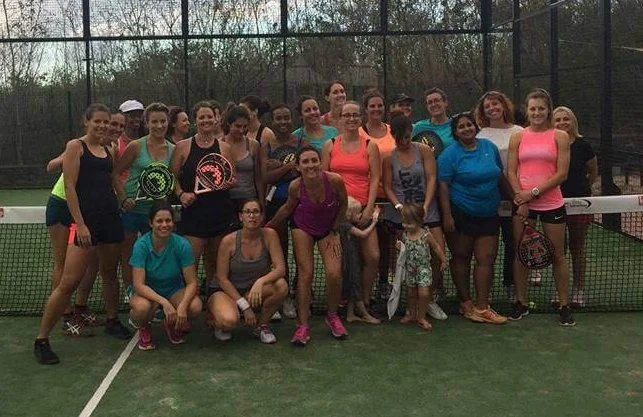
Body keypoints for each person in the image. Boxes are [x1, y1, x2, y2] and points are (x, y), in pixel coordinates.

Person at [34, 104, 130, 365]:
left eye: (106, 122)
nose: (102, 126)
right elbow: (70, 186)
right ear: (86, 122)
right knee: (68, 282)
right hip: (86, 223)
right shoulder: (75, 147)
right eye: (97, 121)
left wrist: (123, 199)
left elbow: (112, 179)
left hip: (111, 219)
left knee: (110, 274)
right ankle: (42, 339)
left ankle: (112, 320)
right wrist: (81, 224)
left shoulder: (109, 149)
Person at [265, 146, 348, 346]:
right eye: (306, 162)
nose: (311, 165)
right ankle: (302, 326)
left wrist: (335, 226)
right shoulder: (295, 187)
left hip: (329, 229)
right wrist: (266, 227)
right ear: (298, 167)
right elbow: (286, 209)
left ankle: (332, 316)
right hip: (302, 227)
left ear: (320, 162)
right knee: (306, 273)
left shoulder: (334, 181)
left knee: (334, 273)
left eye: (314, 160)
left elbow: (343, 204)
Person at [507, 88, 574, 326]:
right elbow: (511, 171)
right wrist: (521, 198)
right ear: (527, 110)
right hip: (523, 205)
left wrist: (533, 193)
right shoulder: (518, 136)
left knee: (558, 256)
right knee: (521, 254)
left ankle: (564, 305)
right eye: (532, 108)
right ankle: (521, 302)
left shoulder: (560, 136)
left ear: (548, 110)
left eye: (541, 108)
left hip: (551, 204)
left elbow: (562, 174)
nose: (536, 113)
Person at [437, 112, 509, 324]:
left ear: (475, 127)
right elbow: (443, 187)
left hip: (488, 214)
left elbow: (500, 176)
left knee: (486, 258)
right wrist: (448, 216)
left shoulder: (489, 148)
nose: (467, 129)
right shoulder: (449, 155)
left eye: (469, 125)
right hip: (461, 213)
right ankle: (465, 301)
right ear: (455, 132)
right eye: (461, 127)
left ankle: (482, 306)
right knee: (461, 257)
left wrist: (516, 199)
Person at [382, 112, 447, 321]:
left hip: (427, 211)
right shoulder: (389, 157)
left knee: (437, 253)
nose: (403, 142)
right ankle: (410, 306)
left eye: (407, 137)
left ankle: (428, 301)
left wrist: (426, 205)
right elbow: (388, 185)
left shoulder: (424, 150)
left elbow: (431, 178)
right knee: (404, 258)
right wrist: (398, 206)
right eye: (399, 138)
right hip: (403, 215)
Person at [322, 101, 381, 322]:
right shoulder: (330, 145)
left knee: (372, 256)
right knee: (343, 263)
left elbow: (375, 178)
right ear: (339, 119)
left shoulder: (370, 146)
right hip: (338, 214)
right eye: (347, 115)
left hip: (363, 210)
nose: (351, 119)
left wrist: (368, 208)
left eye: (355, 115)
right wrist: (333, 212)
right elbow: (324, 178)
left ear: (361, 118)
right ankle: (343, 306)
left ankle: (363, 302)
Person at [171, 101, 237, 293]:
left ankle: (213, 308)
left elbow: (234, 179)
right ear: (195, 120)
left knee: (216, 267)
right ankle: (186, 308)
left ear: (216, 119)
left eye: (210, 116)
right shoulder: (183, 147)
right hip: (193, 215)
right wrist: (181, 194)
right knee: (189, 264)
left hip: (220, 213)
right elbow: (172, 176)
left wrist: (223, 183)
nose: (206, 120)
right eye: (202, 117)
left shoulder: (224, 147)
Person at [208, 199, 288, 344]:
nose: (252, 216)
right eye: (247, 212)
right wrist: (244, 306)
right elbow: (222, 278)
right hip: (225, 291)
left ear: (262, 216)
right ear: (241, 217)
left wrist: (260, 281)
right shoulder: (229, 241)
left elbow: (281, 268)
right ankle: (216, 320)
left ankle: (261, 326)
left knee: (281, 286)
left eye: (256, 212)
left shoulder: (270, 235)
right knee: (228, 321)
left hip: (252, 290)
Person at [114, 103, 174, 289]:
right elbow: (115, 174)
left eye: (162, 121)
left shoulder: (174, 149)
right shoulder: (135, 146)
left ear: (168, 122)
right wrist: (124, 199)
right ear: (147, 124)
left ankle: (154, 291)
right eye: (154, 121)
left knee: (156, 253)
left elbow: (174, 179)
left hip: (155, 213)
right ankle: (130, 292)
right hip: (130, 211)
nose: (159, 125)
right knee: (129, 254)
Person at [129, 201, 202, 350]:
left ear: (173, 223)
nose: (164, 225)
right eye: (159, 221)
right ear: (150, 223)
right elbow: (138, 284)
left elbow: (192, 282)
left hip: (174, 289)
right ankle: (144, 326)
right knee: (142, 308)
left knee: (194, 306)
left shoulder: (182, 245)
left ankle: (171, 323)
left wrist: (181, 306)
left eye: (168, 220)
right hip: (147, 292)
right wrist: (164, 303)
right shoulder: (141, 246)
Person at [474, 91, 525, 299]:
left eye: (495, 104)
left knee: (514, 241)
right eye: (487, 106)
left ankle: (511, 284)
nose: (492, 108)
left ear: (504, 106)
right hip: (489, 196)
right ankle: (487, 289)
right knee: (488, 244)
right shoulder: (479, 134)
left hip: (515, 195)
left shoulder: (520, 131)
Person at [262, 104, 308, 319]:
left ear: (292, 120)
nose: (283, 122)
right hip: (275, 205)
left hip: (299, 204)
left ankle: (301, 294)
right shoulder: (267, 145)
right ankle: (285, 296)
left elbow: (307, 173)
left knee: (301, 253)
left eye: (286, 118)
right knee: (278, 252)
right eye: (278, 118)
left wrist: (278, 167)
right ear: (272, 121)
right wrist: (288, 168)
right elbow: (265, 177)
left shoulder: (300, 143)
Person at [554, 106, 598, 308]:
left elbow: (593, 172)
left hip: (580, 205)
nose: (562, 123)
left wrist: (582, 191)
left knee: (577, 248)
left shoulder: (583, 145)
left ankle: (579, 290)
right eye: (558, 120)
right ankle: (559, 290)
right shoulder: (550, 144)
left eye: (566, 119)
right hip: (554, 204)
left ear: (573, 122)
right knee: (558, 250)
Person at [395, 204, 448, 331]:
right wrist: (399, 247)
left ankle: (422, 316)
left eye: (409, 223)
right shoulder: (405, 235)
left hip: (423, 269)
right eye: (404, 222)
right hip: (410, 269)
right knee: (411, 293)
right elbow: (403, 249)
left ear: (419, 221)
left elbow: (436, 247)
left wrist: (443, 259)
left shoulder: (426, 235)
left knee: (424, 294)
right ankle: (412, 314)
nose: (406, 225)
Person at [340, 198, 381, 323]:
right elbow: (363, 234)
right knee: (355, 283)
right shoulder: (346, 225)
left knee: (354, 283)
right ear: (350, 215)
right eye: (358, 213)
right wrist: (374, 221)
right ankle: (364, 313)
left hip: (353, 258)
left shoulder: (346, 224)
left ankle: (350, 314)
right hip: (349, 261)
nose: (360, 215)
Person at [221, 105, 264, 213]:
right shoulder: (219, 144)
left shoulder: (253, 145)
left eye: (245, 127)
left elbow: (258, 178)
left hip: (249, 198)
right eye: (238, 126)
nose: (241, 130)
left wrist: (262, 204)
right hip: (226, 199)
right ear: (229, 124)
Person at [116, 99, 145, 184]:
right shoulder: (116, 142)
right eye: (132, 116)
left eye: (139, 115)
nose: (136, 119)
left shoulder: (147, 141)